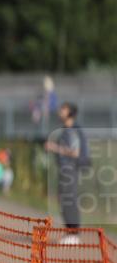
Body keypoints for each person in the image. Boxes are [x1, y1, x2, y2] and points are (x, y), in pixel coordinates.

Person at [45, 102, 90, 244]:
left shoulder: (72, 130)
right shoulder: (66, 129)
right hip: (65, 169)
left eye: (63, 109)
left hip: (70, 169)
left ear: (70, 112)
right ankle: (70, 232)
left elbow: (75, 152)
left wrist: (55, 147)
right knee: (63, 199)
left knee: (68, 199)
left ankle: (74, 234)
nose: (60, 111)